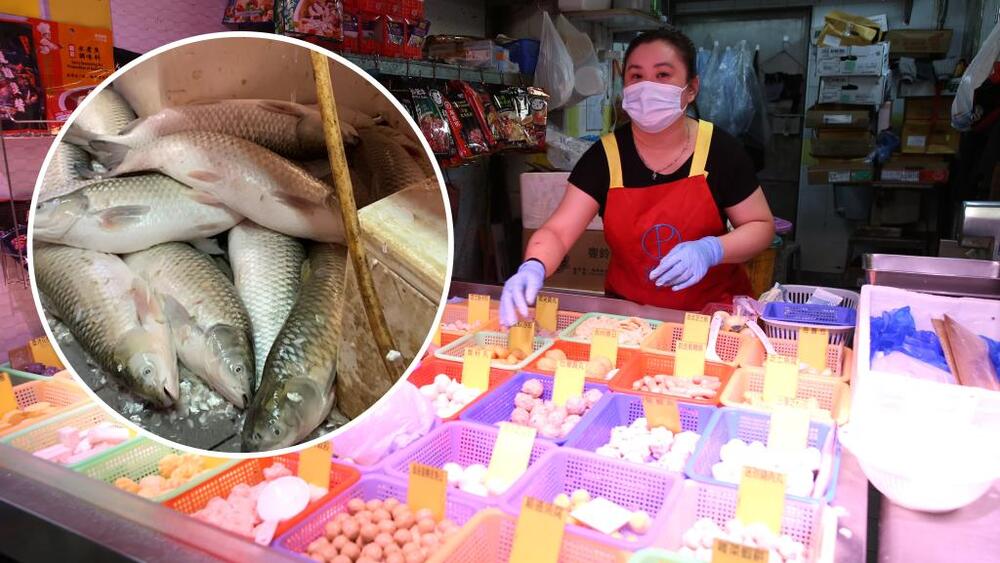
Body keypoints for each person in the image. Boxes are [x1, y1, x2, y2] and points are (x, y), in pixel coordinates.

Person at [500, 27, 775, 326]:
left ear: (692, 88)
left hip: (714, 319)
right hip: (630, 321)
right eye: (636, 76)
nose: (648, 87)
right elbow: (558, 231)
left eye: (663, 75)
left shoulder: (720, 150)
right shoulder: (605, 157)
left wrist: (711, 249)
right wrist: (534, 266)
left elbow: (760, 227)